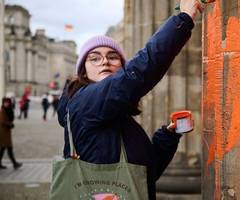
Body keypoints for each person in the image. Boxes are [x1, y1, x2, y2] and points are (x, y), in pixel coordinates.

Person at [56, 1, 203, 199]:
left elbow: (144, 175)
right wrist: (183, 19)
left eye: (112, 56)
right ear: (83, 71)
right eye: (94, 58)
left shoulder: (119, 116)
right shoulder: (84, 102)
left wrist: (168, 136)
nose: (105, 61)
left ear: (120, 66)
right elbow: (141, 69)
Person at [0, 97, 22, 169]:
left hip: (6, 133)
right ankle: (14, 163)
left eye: (7, 102)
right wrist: (10, 124)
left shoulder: (7, 110)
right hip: (3, 133)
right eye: (5, 102)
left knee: (3, 149)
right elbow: (2, 122)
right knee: (9, 148)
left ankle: (14, 163)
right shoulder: (2, 111)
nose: (6, 104)